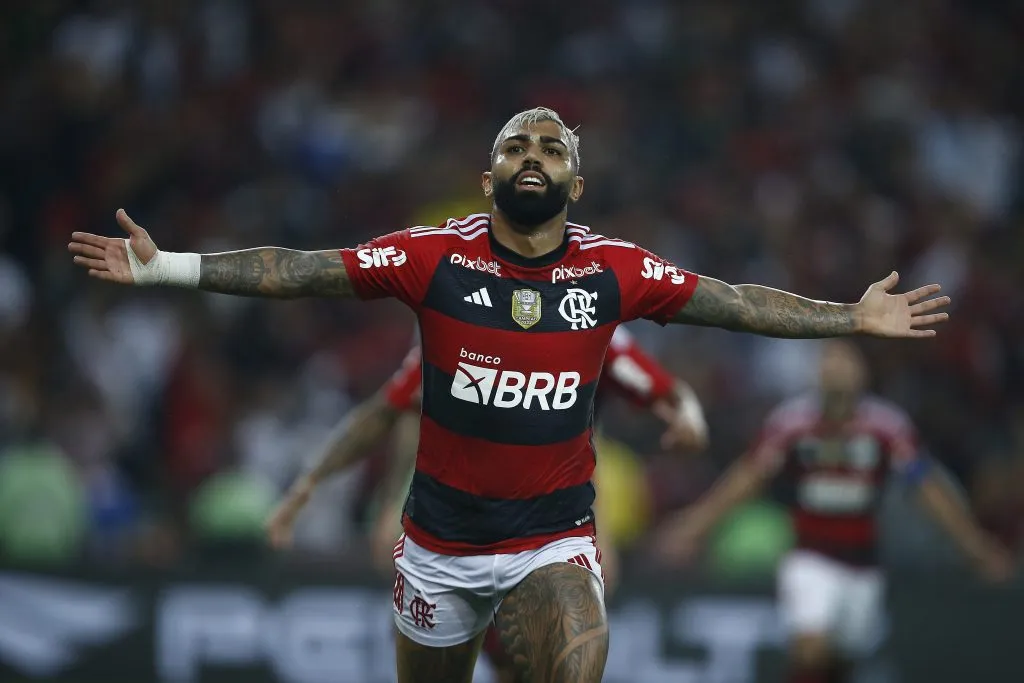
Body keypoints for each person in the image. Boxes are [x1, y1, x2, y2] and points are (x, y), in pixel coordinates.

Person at [69, 107, 951, 683]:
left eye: (552, 148)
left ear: (576, 183)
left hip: (552, 539)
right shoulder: (435, 256)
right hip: (437, 545)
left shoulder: (614, 270)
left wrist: (849, 318)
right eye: (515, 147)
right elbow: (302, 271)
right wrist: (169, 267)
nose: (534, 155)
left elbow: (737, 302)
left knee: (580, 655)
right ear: (488, 179)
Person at [266, 325, 707, 683]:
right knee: (482, 652)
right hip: (459, 520)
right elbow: (401, 411)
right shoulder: (460, 316)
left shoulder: (590, 313)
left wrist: (686, 413)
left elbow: (658, 388)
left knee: (542, 651)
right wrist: (385, 501)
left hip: (557, 517)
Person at [655, 339, 1013, 683]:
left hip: (864, 566)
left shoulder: (886, 426)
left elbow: (928, 488)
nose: (835, 369)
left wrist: (975, 546)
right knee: (810, 650)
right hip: (811, 557)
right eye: (828, 360)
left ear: (863, 372)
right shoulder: (792, 422)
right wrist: (693, 527)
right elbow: (747, 478)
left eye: (844, 361)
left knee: (842, 663)